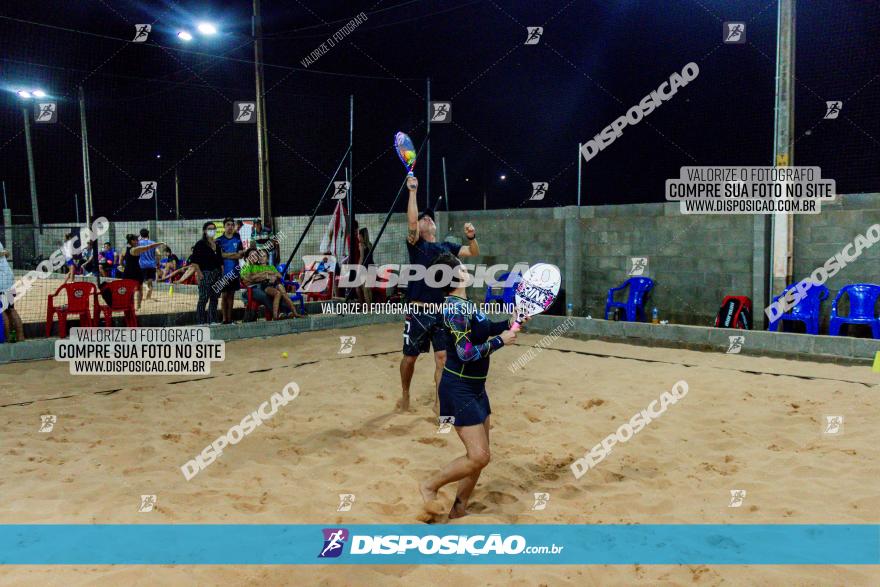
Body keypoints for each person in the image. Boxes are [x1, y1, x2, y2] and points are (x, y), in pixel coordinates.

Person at [419, 251, 521, 518]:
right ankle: (429, 486)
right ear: (457, 275)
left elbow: (482, 329)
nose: (466, 267)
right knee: (479, 457)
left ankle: (459, 508)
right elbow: (465, 352)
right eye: (462, 266)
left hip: (476, 387)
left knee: (480, 457)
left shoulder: (465, 303)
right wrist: (502, 341)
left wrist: (507, 324)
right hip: (459, 388)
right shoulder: (453, 308)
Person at [399, 174, 480, 412]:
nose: (425, 220)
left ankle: (438, 402)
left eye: (429, 219)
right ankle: (405, 394)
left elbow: (472, 252)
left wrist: (472, 236)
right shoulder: (416, 244)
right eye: (422, 218)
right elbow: (411, 222)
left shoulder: (446, 246)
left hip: (442, 311)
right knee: (410, 358)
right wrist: (412, 192)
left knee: (442, 359)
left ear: (434, 226)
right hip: (418, 310)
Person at [240, 249, 300, 319]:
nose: (254, 257)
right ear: (247, 257)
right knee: (269, 295)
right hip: (252, 289)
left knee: (280, 293)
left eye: (256, 255)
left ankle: (288, 312)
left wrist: (269, 276)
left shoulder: (261, 266)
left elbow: (276, 276)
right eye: (252, 256)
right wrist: (266, 275)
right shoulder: (247, 267)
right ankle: (278, 314)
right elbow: (249, 279)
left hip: (264, 286)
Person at [189, 221, 223, 324]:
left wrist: (221, 274)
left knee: (214, 298)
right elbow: (194, 262)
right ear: (204, 231)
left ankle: (212, 320)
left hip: (217, 274)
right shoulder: (200, 244)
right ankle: (201, 321)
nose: (212, 231)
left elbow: (220, 261)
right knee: (203, 299)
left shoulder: (217, 245)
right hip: (205, 274)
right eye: (209, 229)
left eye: (213, 229)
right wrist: (200, 274)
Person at [216, 217, 248, 324]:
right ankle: (224, 318)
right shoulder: (219, 240)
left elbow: (240, 255)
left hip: (234, 272)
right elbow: (219, 255)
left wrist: (225, 255)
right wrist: (232, 255)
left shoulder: (237, 240)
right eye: (228, 225)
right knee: (224, 296)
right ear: (224, 226)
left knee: (231, 296)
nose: (230, 227)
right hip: (223, 273)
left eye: (231, 225)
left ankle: (229, 319)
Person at [121, 234, 165, 310]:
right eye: (136, 240)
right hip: (136, 271)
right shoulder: (134, 249)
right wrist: (160, 243)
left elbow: (121, 259)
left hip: (127, 271)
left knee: (128, 290)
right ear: (132, 241)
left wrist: (122, 266)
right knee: (139, 289)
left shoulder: (124, 248)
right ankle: (138, 306)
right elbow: (148, 247)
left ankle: (128, 305)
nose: (138, 241)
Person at [0, 239, 24, 342]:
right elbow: (7, 253)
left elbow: (5, 253)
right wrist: (4, 253)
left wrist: (4, 253)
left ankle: (8, 339)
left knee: (3, 310)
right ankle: (21, 337)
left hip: (2, 282)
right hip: (9, 280)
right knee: (11, 309)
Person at [137, 228, 158, 303]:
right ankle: (148, 297)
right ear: (148, 234)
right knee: (150, 281)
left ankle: (146, 288)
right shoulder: (153, 242)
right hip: (152, 264)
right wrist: (157, 262)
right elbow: (158, 254)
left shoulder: (139, 243)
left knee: (141, 281)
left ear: (140, 234)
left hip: (142, 265)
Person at [357, 227, 374, 304]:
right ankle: (370, 307)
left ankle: (368, 307)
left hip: (365, 268)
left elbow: (361, 257)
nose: (358, 237)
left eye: (359, 236)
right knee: (368, 289)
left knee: (365, 290)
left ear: (363, 236)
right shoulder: (370, 244)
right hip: (372, 267)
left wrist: (358, 268)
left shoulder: (361, 245)